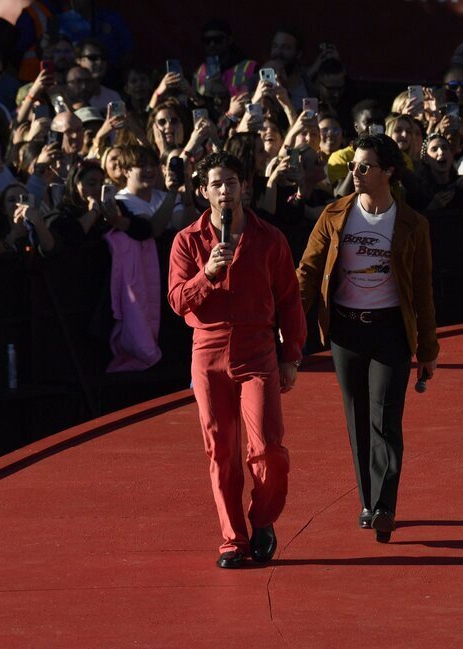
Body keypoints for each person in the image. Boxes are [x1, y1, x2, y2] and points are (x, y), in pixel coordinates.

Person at [296, 133, 439, 543]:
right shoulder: (335, 214)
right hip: (345, 330)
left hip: (392, 329)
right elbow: (307, 272)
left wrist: (428, 349)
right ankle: (367, 502)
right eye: (354, 165)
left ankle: (386, 506)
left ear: (388, 172)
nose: (354, 172)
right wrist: (287, 322)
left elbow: (423, 290)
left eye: (364, 166)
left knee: (386, 417)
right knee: (357, 416)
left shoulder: (412, 223)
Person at [168, 151, 305, 569]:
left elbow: (289, 301)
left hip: (257, 349)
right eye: (217, 184)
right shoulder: (187, 241)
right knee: (221, 450)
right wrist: (206, 274)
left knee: (267, 448)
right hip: (207, 351)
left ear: (244, 187)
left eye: (232, 182)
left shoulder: (270, 238)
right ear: (203, 191)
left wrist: (291, 356)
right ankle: (232, 540)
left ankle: (263, 519)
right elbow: (176, 301)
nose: (225, 191)